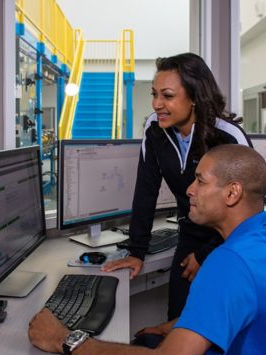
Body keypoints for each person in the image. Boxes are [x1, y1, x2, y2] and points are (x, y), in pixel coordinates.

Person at [28, 144, 266, 355]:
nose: (189, 190)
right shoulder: (255, 239)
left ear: (232, 193)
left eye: (200, 181)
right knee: (150, 340)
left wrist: (64, 339)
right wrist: (176, 326)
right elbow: (243, 304)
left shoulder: (228, 263)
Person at [102, 52, 252, 322]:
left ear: (194, 96)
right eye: (154, 94)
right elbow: (146, 190)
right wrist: (137, 251)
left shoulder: (228, 136)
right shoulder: (154, 128)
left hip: (231, 239)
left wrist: (207, 255)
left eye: (167, 96)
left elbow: (252, 210)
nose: (157, 104)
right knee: (178, 319)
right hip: (191, 232)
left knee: (221, 323)